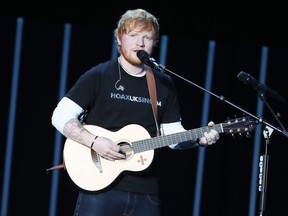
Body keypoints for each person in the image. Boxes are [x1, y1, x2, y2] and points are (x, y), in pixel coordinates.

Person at [51, 8, 220, 216]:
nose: (140, 43)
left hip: (146, 195)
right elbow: (60, 115)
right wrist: (94, 141)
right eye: (133, 35)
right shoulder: (100, 75)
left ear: (154, 43)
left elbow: (172, 136)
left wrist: (198, 139)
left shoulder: (163, 83)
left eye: (147, 37)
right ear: (119, 38)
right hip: (100, 191)